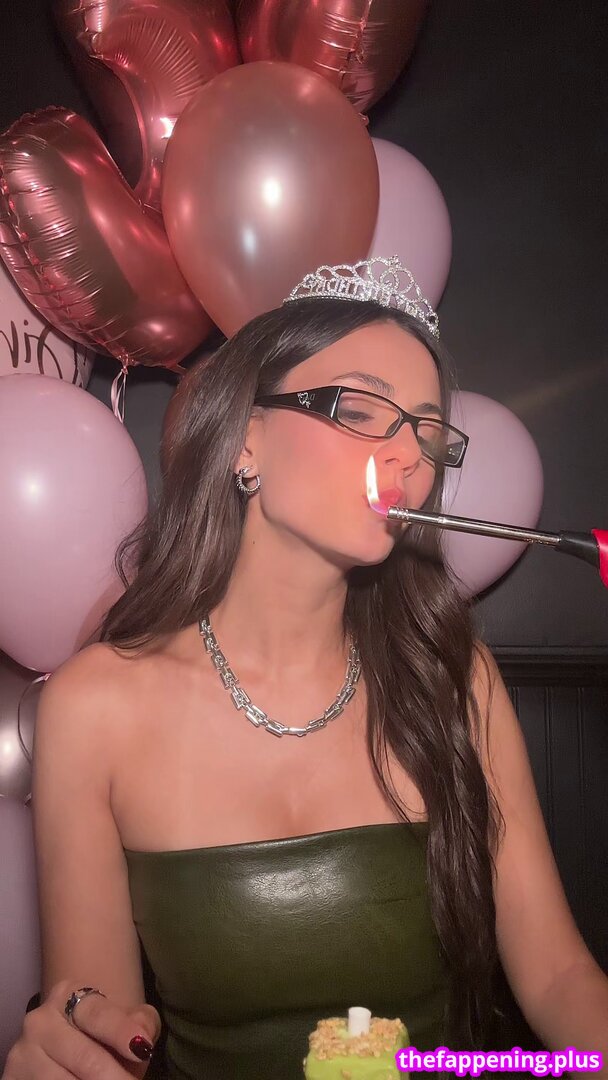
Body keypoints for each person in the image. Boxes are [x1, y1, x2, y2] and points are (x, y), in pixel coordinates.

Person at [3, 257, 607, 1080]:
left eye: (428, 433)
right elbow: (97, 1022)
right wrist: (70, 1044)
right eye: (359, 408)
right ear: (247, 439)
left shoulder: (455, 679)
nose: (408, 456)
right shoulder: (94, 706)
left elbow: (561, 976)